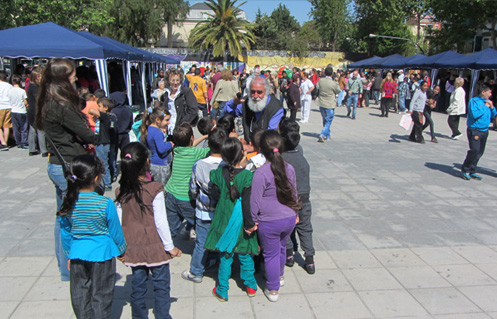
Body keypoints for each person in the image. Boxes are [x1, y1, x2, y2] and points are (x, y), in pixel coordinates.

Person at [35, 59, 95, 281]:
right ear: (62, 78)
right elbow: (88, 133)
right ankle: (71, 267)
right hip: (67, 167)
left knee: (62, 218)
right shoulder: (60, 104)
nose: (76, 78)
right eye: (72, 75)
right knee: (72, 220)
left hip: (57, 165)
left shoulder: (48, 99)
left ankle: (65, 266)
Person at [115, 142, 181, 319]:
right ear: (147, 162)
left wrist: (120, 248)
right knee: (161, 285)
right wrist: (170, 247)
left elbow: (118, 222)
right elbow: (160, 222)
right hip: (155, 248)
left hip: (133, 247)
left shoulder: (121, 191)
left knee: (138, 287)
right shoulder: (154, 189)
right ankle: (162, 316)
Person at [59, 154, 126, 319]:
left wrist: (68, 253)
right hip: (102, 254)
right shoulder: (105, 203)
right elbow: (115, 230)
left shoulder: (68, 202)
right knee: (101, 294)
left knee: (79, 293)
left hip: (77, 253)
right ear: (96, 178)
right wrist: (121, 249)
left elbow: (65, 231)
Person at [204, 137, 259, 302]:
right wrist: (250, 224)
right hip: (242, 220)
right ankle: (250, 286)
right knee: (245, 253)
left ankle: (222, 289)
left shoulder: (218, 174)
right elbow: (248, 203)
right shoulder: (248, 176)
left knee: (226, 256)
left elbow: (214, 194)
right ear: (242, 153)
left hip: (223, 218)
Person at [249, 130, 299, 302]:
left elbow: (254, 202)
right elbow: (294, 193)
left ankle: (273, 289)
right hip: (289, 217)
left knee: (270, 254)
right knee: (282, 248)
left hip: (269, 221)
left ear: (261, 150)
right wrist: (296, 213)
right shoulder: (289, 168)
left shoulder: (261, 173)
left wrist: (253, 220)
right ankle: (280, 276)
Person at [182, 128, 227, 283]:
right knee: (222, 241)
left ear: (209, 145)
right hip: (223, 214)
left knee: (201, 243)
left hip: (204, 212)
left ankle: (196, 272)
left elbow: (193, 189)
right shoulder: (227, 165)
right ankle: (220, 267)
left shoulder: (199, 165)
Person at [279, 119, 315, 274]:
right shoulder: (300, 154)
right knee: (305, 229)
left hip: (288, 202)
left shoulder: (281, 158)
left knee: (286, 229)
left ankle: (289, 256)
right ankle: (310, 260)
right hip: (305, 200)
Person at [164, 123, 209, 238]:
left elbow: (189, 145)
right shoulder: (194, 153)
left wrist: (204, 136)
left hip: (170, 193)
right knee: (198, 224)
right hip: (185, 197)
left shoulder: (177, 150)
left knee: (171, 227)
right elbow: (211, 150)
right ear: (191, 138)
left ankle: (167, 247)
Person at [460, 84, 497, 180]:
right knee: (474, 150)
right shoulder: (474, 101)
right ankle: (465, 169)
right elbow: (475, 114)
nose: (490, 94)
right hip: (475, 130)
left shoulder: (488, 102)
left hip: (484, 130)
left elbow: (494, 115)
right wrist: (485, 106)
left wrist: (492, 107)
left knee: (480, 152)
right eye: (489, 92)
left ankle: (472, 170)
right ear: (483, 92)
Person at [242, 77, 284, 142]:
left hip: (265, 147)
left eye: (259, 92)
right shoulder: (246, 102)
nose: (255, 96)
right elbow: (229, 112)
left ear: (266, 92)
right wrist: (233, 102)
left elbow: (271, 135)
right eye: (252, 92)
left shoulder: (275, 108)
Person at [160, 68, 199, 135]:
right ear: (168, 81)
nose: (175, 83)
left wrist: (182, 124)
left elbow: (193, 110)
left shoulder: (186, 91)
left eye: (177, 80)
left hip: (181, 130)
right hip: (168, 129)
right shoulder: (166, 94)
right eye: (173, 80)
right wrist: (164, 119)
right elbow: (163, 111)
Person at [94, 97, 115, 191]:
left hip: (103, 143)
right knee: (104, 162)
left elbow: (91, 110)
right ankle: (107, 180)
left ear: (105, 107)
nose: (97, 108)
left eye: (99, 106)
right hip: (100, 142)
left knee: (103, 163)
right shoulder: (103, 117)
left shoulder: (106, 116)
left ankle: (107, 183)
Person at [316, 66, 340, 143]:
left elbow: (317, 87)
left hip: (321, 102)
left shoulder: (321, 80)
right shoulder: (333, 83)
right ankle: (322, 135)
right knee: (329, 119)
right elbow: (338, 90)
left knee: (325, 119)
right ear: (332, 73)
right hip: (329, 103)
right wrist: (336, 81)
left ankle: (328, 135)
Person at [27, 67, 48, 156]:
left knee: (32, 130)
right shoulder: (35, 87)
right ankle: (44, 150)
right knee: (40, 130)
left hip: (31, 110)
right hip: (36, 110)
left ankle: (32, 149)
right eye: (39, 77)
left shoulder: (30, 86)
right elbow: (38, 100)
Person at [10, 74, 29, 149]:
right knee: (24, 128)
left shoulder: (10, 90)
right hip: (22, 111)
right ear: (20, 81)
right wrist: (27, 104)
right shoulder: (22, 91)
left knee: (15, 128)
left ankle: (18, 143)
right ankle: (24, 142)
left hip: (13, 110)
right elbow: (25, 101)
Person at [0, 71, 13, 150]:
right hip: (8, 106)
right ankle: (6, 141)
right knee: (6, 125)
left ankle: (3, 143)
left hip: (0, 106)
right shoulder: (9, 86)